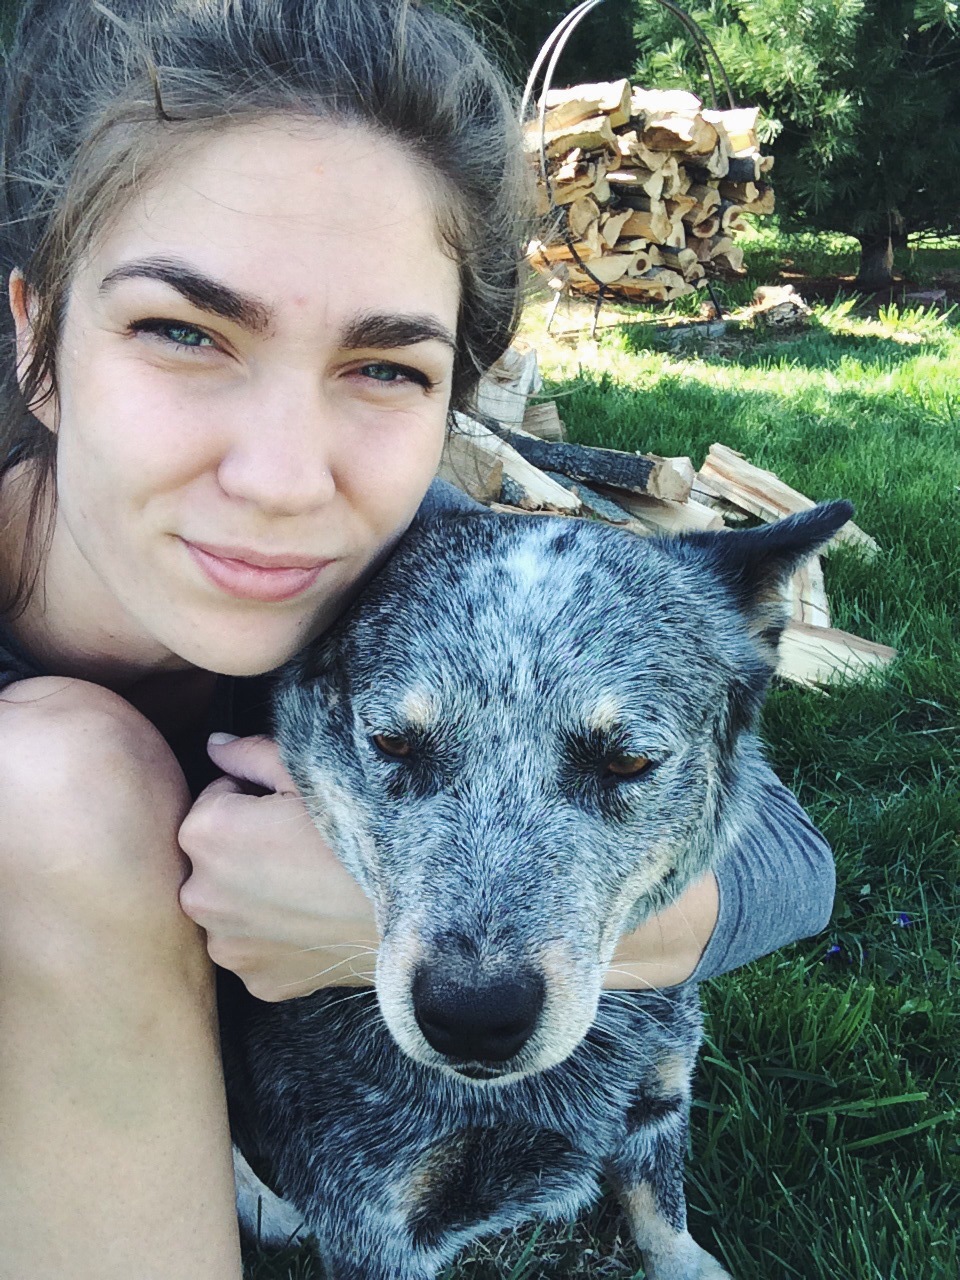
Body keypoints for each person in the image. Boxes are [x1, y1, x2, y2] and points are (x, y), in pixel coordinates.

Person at [0, 1, 836, 1277]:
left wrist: (353, 903)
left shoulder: (403, 564)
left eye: (386, 366)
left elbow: (791, 857)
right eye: (183, 331)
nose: (283, 478)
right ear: (37, 343)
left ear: (457, 399)